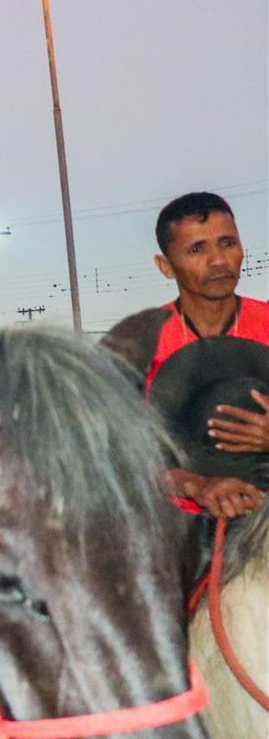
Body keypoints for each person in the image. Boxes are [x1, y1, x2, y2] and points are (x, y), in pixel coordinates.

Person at [104, 191, 269, 519]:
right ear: (165, 266)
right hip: (178, 527)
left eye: (227, 243)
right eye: (197, 249)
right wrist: (196, 484)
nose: (218, 260)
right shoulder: (137, 347)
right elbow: (119, 457)